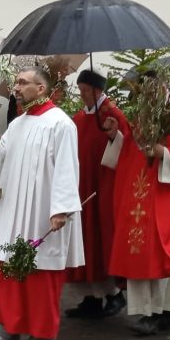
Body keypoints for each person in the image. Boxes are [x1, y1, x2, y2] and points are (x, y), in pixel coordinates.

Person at [0, 67, 82, 340]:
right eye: (16, 83)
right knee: (5, 265)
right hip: (11, 208)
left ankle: (43, 338)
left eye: (23, 83)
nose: (17, 88)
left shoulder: (60, 124)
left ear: (42, 88)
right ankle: (7, 328)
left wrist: (62, 209)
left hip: (41, 209)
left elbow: (67, 169)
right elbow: (5, 165)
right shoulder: (17, 124)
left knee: (39, 271)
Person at [107, 72, 170, 336]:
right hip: (140, 197)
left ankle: (162, 313)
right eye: (143, 90)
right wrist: (113, 135)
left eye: (151, 89)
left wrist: (164, 152)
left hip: (166, 197)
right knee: (140, 254)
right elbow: (128, 151)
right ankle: (148, 312)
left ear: (163, 87)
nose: (147, 94)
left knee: (161, 253)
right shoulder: (141, 116)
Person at [65, 68, 131, 319]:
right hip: (82, 185)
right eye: (80, 90)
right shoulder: (81, 118)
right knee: (84, 241)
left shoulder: (111, 115)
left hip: (104, 187)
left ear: (99, 90)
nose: (82, 95)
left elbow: (127, 148)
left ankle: (114, 294)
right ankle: (90, 297)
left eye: (86, 90)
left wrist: (114, 135)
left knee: (101, 240)